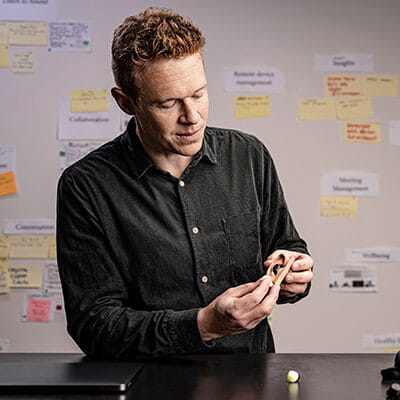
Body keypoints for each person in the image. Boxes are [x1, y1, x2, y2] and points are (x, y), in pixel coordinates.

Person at [56, 7, 314, 360]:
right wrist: (202, 325)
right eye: (168, 103)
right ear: (126, 102)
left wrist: (294, 275)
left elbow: (286, 246)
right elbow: (94, 325)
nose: (192, 117)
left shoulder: (249, 155)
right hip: (148, 381)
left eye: (198, 94)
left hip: (251, 375)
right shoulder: (85, 186)